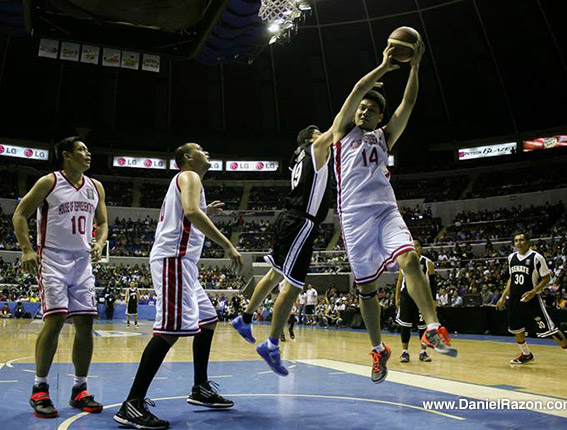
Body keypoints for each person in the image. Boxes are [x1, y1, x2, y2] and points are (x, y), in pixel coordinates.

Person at [331, 42, 456, 382]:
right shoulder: (342, 134)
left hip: (386, 211)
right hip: (354, 219)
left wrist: (415, 66)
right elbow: (357, 90)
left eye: (370, 110)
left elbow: (409, 103)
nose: (363, 112)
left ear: (379, 117)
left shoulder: (384, 137)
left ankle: (432, 327)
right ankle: (378, 349)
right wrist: (384, 67)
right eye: (361, 109)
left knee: (410, 259)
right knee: (366, 292)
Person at [113, 143, 242, 430]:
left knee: (208, 320)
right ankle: (131, 404)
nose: (207, 152)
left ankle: (200, 388)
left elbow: (191, 213)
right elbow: (192, 213)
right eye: (200, 149)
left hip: (184, 263)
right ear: (187, 157)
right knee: (168, 331)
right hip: (174, 259)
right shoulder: (189, 176)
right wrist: (228, 245)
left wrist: (206, 210)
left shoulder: (188, 181)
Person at [12, 136, 107, 417]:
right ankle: (39, 388)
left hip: (82, 261)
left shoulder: (95, 186)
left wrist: (100, 243)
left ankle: (80, 389)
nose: (88, 154)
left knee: (86, 323)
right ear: (66, 155)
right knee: (54, 320)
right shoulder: (48, 182)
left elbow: (103, 224)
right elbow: (19, 215)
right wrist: (27, 249)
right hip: (53, 258)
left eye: (88, 149)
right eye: (81, 150)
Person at [231, 125, 333, 376]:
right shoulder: (316, 148)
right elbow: (340, 125)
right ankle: (272, 344)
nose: (324, 134)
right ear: (311, 138)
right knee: (293, 285)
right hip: (303, 221)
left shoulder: (300, 156)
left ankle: (244, 318)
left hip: (290, 218)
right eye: (319, 131)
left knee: (274, 274)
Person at [496, 233, 567, 370]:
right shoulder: (511, 257)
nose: (518, 243)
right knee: (517, 330)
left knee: (551, 330)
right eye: (516, 240)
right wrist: (503, 296)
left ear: (528, 242)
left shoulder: (536, 257)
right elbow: (511, 278)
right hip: (514, 299)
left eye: (521, 240)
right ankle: (526, 354)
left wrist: (533, 292)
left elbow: (547, 278)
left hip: (532, 300)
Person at [395, 239, 435, 363]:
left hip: (422, 298)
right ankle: (404, 352)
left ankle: (423, 352)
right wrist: (397, 297)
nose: (415, 248)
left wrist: (434, 300)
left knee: (423, 326)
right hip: (407, 297)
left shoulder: (428, 263)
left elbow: (433, 284)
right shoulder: (404, 262)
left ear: (421, 248)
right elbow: (400, 281)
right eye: (413, 246)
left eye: (417, 246)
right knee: (405, 325)